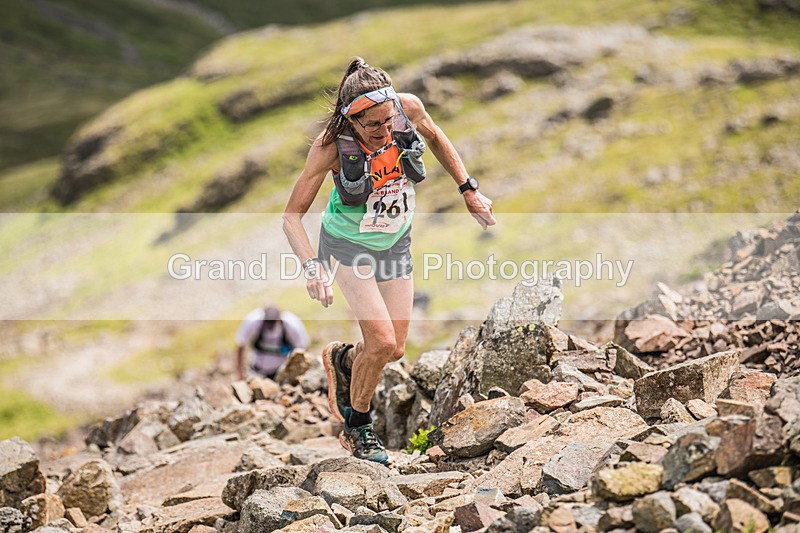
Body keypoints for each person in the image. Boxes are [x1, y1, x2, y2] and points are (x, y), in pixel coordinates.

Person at [282, 57, 496, 465]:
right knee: (379, 342)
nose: (383, 131)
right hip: (346, 246)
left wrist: (468, 189)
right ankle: (358, 425)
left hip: (395, 243)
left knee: (393, 349)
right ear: (351, 119)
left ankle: (343, 359)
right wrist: (312, 266)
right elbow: (291, 216)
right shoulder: (329, 146)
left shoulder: (407, 109)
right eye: (372, 126)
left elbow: (436, 137)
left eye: (387, 120)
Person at [234, 304, 310, 380]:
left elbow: (303, 349)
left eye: (272, 323)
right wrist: (239, 373)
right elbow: (240, 345)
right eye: (267, 323)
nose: (269, 326)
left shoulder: (292, 325)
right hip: (257, 371)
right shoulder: (252, 321)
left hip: (282, 373)